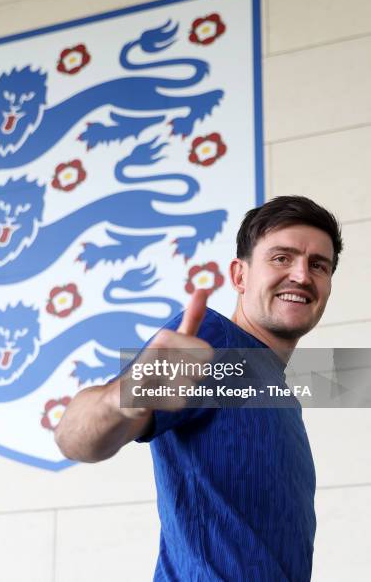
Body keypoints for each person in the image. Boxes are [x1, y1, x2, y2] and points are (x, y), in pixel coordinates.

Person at [55, 195, 343, 581]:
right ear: (240, 276)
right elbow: (76, 440)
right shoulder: (211, 341)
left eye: (318, 266)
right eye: (281, 258)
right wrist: (125, 396)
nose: (302, 275)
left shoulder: (283, 395)